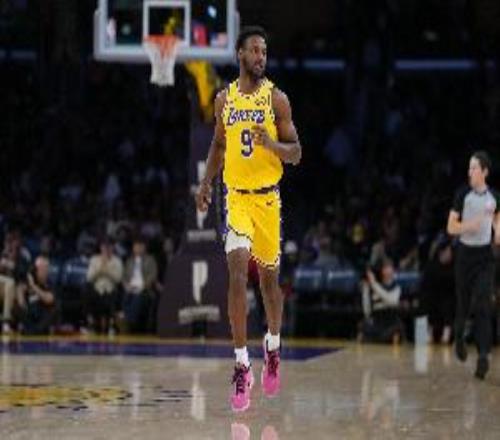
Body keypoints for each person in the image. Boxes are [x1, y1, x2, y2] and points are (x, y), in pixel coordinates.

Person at [195, 26, 302, 412]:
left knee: (270, 285)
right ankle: (242, 365)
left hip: (267, 201)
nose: (261, 57)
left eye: (264, 52)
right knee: (237, 275)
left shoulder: (277, 99)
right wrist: (206, 183)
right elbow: (218, 144)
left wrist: (271, 144)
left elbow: (296, 153)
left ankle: (272, 347)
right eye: (255, 50)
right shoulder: (224, 99)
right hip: (236, 199)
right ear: (240, 54)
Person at [447, 151, 500, 380]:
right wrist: (469, 225)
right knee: (463, 305)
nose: (470, 172)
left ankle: (483, 355)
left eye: (474, 168)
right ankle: (459, 336)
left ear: (484, 172)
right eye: (469, 168)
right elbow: (451, 227)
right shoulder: (462, 195)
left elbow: (497, 218)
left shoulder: (494, 196)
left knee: (483, 303)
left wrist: (498, 231)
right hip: (464, 256)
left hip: (485, 257)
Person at [360, 259, 403, 344]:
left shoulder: (396, 287)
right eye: (385, 268)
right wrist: (366, 290)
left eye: (389, 268)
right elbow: (367, 311)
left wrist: (374, 284)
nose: (387, 270)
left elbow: (392, 301)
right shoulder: (375, 286)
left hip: (391, 322)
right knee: (363, 326)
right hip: (377, 322)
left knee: (397, 329)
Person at [86, 238, 123, 334]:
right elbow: (89, 278)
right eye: (104, 247)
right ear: (101, 248)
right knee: (88, 290)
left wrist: (107, 271)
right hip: (96, 289)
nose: (106, 249)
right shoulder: (94, 259)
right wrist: (100, 269)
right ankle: (92, 324)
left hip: (111, 289)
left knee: (113, 294)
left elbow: (118, 279)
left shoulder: (117, 261)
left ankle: (111, 325)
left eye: (109, 247)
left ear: (112, 248)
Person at [122, 236, 158, 333]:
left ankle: (130, 323)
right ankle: (128, 321)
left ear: (144, 247)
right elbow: (124, 276)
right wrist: (126, 285)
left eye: (139, 246)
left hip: (144, 288)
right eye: (135, 246)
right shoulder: (129, 261)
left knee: (138, 298)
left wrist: (143, 286)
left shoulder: (150, 260)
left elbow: (153, 275)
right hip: (131, 287)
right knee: (126, 296)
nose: (137, 248)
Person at [15, 256, 58, 335]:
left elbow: (49, 299)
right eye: (41, 269)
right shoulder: (27, 281)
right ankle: (29, 328)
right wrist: (20, 292)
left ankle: (35, 330)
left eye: (45, 268)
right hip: (30, 314)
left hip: (42, 316)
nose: (44, 271)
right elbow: (21, 304)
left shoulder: (50, 283)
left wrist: (33, 286)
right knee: (18, 308)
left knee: (54, 309)